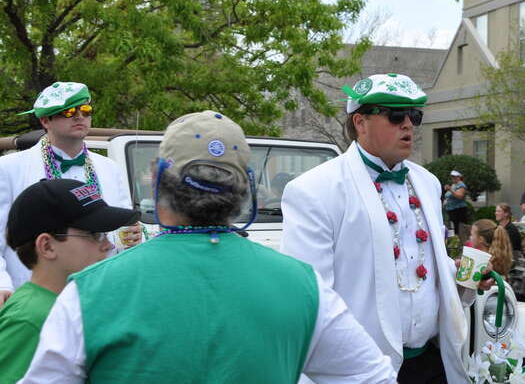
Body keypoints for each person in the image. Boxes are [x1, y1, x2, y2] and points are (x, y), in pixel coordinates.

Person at [23, 110, 395, 383]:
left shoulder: (90, 290)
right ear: (246, 187)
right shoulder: (304, 285)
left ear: (155, 177)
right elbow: (373, 378)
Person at [281, 73, 492, 383]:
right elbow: (310, 298)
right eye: (395, 115)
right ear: (360, 122)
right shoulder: (314, 189)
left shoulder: (428, 182)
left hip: (433, 364)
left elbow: (417, 265)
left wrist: (458, 277)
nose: (408, 124)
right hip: (359, 372)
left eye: (414, 116)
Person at [0, 82, 138, 306]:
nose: (79, 117)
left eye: (84, 110)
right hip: (34, 294)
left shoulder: (108, 167)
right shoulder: (8, 167)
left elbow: (118, 228)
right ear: (45, 121)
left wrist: (129, 235)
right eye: (67, 112)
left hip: (96, 292)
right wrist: (2, 284)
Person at [0, 179, 138, 382]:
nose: (108, 245)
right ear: (47, 246)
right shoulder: (30, 318)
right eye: (94, 234)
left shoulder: (65, 304)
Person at [444, 170, 469, 238]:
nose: (453, 178)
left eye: (455, 177)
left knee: (459, 229)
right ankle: (455, 240)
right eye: (452, 177)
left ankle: (460, 241)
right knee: (453, 228)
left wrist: (450, 190)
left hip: (458, 210)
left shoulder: (461, 185)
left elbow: (459, 196)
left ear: (459, 177)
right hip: (451, 210)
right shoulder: (454, 185)